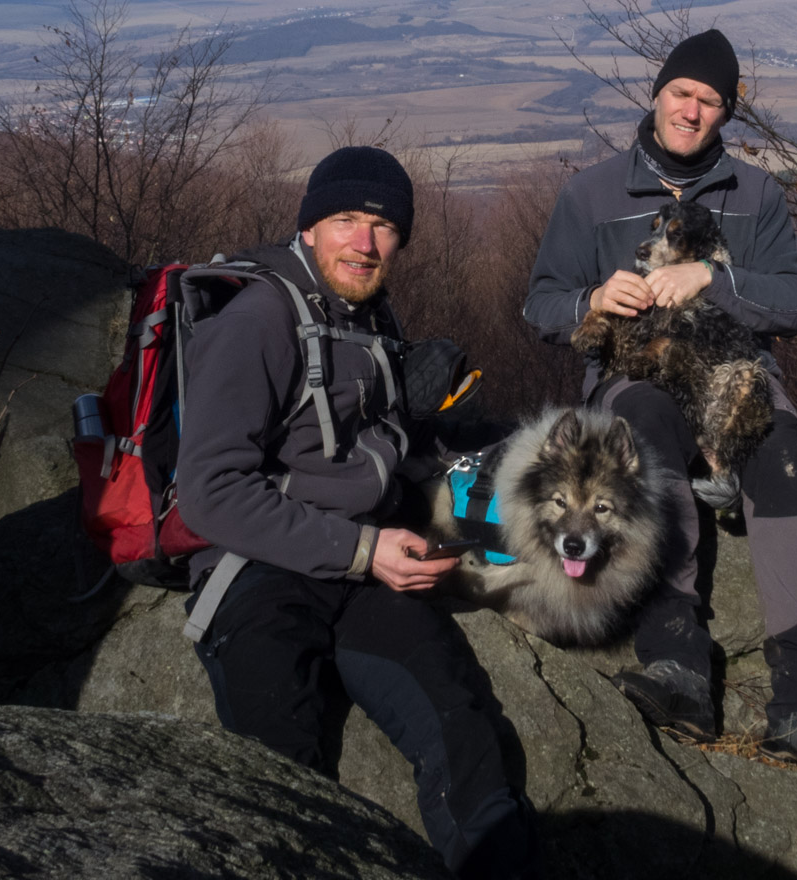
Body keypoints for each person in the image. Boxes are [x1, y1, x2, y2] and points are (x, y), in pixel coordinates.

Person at [522, 29, 797, 786]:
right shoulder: (589, 194)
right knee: (643, 435)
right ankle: (678, 662)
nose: (691, 109)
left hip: (732, 375)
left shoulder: (756, 194)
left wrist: (714, 280)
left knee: (781, 456)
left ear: (726, 113)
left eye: (709, 100)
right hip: (637, 373)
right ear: (657, 95)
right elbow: (540, 303)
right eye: (681, 93)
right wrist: (591, 298)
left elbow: (794, 303)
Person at [176, 146, 538, 878]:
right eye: (346, 220)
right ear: (309, 226)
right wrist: (365, 551)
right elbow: (210, 489)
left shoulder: (369, 314)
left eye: (383, 227)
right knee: (280, 776)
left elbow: (381, 439)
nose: (365, 243)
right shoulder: (260, 322)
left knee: (462, 732)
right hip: (261, 569)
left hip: (366, 562)